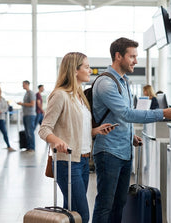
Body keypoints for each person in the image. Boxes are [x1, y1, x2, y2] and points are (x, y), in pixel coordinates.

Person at [92, 37, 171, 223]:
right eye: (132, 56)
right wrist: (162, 113)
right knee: (105, 204)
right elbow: (126, 113)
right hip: (109, 152)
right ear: (118, 56)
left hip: (124, 151)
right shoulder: (106, 83)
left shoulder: (124, 82)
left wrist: (130, 135)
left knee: (120, 202)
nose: (136, 61)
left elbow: (118, 117)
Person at [39, 52, 115, 222]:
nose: (90, 70)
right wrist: (57, 141)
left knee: (71, 214)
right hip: (67, 163)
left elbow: (75, 129)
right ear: (74, 70)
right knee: (82, 214)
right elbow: (44, 129)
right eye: (86, 67)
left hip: (83, 162)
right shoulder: (60, 95)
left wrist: (95, 131)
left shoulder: (80, 96)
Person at [17, 80, 36, 151]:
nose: (22, 86)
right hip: (26, 114)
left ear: (27, 84)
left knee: (30, 131)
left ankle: (32, 147)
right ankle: (28, 146)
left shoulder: (31, 93)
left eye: (23, 84)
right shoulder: (26, 93)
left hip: (30, 115)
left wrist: (22, 104)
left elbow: (32, 104)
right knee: (27, 132)